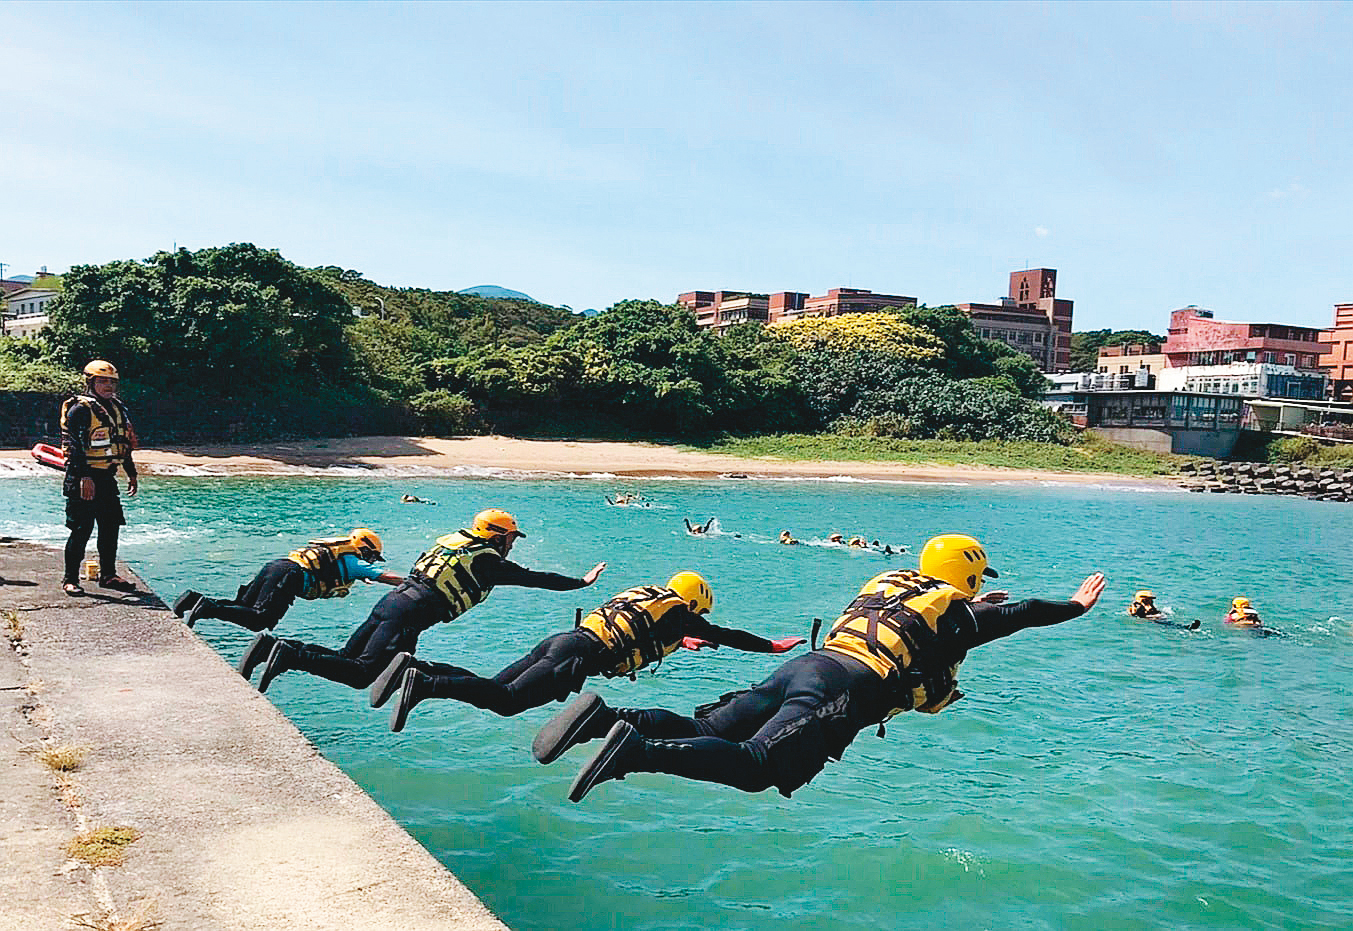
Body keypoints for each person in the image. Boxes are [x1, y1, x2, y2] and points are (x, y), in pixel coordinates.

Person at [534, 534, 1105, 803]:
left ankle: (604, 716)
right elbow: (1022, 613)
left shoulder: (893, 589)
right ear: (973, 576)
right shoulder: (953, 616)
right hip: (844, 688)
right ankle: (634, 751)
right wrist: (1075, 606)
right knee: (757, 766)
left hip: (810, 665)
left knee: (708, 730)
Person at [379, 571, 806, 733]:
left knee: (492, 688)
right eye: (699, 614)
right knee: (507, 703)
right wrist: (771, 646)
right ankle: (425, 683)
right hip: (576, 658)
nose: (698, 619)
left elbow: (647, 633)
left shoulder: (651, 598)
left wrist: (684, 639)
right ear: (693, 603)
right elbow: (726, 634)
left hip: (562, 641)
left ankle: (419, 668)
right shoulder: (679, 612)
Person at [240, 509, 605, 694]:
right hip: (410, 613)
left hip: (393, 602)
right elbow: (534, 579)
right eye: (511, 537)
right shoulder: (487, 562)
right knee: (363, 674)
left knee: (351, 661)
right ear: (497, 537)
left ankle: (280, 650)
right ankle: (284, 654)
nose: (513, 543)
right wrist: (581, 582)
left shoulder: (454, 545)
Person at [170, 529, 402, 631]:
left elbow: (343, 571)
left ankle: (193, 600)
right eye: (371, 556)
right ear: (364, 548)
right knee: (261, 620)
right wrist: (413, 583)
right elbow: (385, 576)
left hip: (277, 565)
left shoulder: (342, 555)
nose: (371, 562)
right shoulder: (353, 560)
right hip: (291, 576)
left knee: (244, 608)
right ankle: (205, 607)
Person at [59, 360, 139, 595]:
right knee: (82, 529)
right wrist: (84, 476)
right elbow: (74, 445)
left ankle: (108, 575)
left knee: (110, 526)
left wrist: (131, 473)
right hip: (82, 476)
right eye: (102, 381)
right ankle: (70, 579)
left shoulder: (118, 408)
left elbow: (122, 443)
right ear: (91, 382)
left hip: (106, 477)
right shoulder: (80, 409)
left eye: (112, 382)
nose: (108, 386)